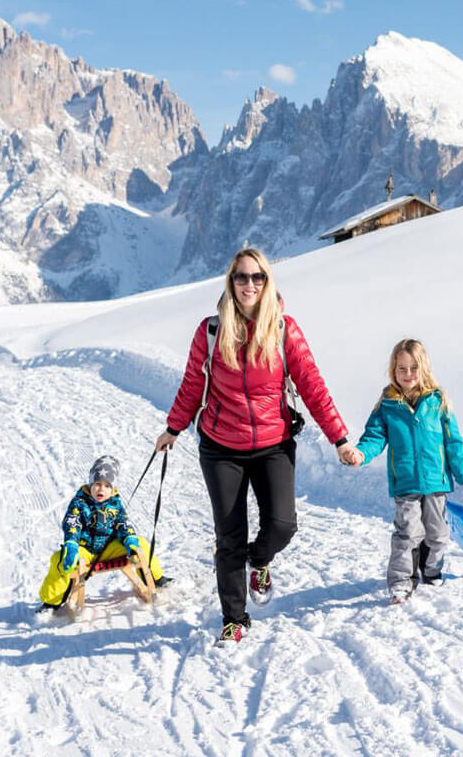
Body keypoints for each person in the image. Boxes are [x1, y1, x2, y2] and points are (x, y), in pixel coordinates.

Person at [155, 247, 351, 643]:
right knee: (229, 535)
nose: (249, 284)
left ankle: (258, 561)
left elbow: (313, 386)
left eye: (257, 277)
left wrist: (340, 438)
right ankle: (234, 617)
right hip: (220, 445)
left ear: (267, 282)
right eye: (241, 277)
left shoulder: (283, 329)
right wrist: (173, 428)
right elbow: (194, 383)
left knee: (282, 525)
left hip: (273, 443)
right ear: (231, 282)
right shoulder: (211, 331)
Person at [346, 338, 463, 604]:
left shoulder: (437, 402)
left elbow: (453, 443)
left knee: (438, 533)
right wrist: (360, 453)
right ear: (393, 370)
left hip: (436, 481)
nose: (407, 374)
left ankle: (430, 570)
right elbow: (374, 437)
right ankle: (401, 582)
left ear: (424, 368)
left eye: (413, 368)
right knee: (407, 532)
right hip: (405, 483)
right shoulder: (388, 406)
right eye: (401, 368)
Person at [38, 455, 169, 609]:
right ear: (91, 483)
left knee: (142, 545)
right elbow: (71, 523)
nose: (101, 489)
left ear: (112, 488)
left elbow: (123, 524)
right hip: (84, 550)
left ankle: (157, 579)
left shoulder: (115, 503)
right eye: (98, 484)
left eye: (107, 486)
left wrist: (129, 541)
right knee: (59, 559)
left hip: (108, 550)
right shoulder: (79, 502)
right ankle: (51, 602)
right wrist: (71, 544)